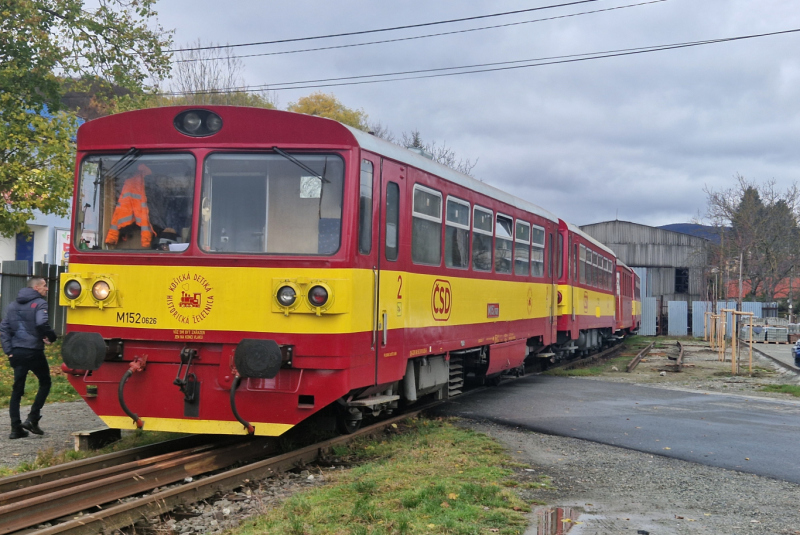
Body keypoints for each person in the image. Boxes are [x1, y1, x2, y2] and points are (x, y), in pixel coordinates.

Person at [0, 277, 57, 439]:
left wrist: (9, 351)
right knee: (45, 382)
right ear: (36, 287)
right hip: (33, 352)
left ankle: (15, 428)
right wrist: (51, 337)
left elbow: (4, 329)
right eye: (45, 286)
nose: (47, 289)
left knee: (17, 390)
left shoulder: (12, 305)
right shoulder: (40, 303)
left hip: (17, 353)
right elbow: (41, 323)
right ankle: (32, 418)